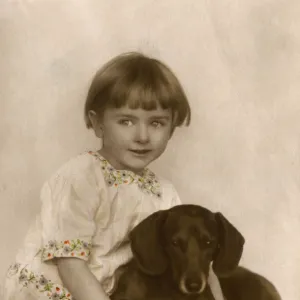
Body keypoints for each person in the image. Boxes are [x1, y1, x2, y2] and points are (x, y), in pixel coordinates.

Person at [3, 52, 224, 300]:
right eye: (126, 122)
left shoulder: (165, 194)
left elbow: (196, 262)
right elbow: (70, 265)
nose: (142, 136)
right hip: (54, 292)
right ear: (98, 124)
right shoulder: (80, 178)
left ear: (172, 128)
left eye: (157, 123)